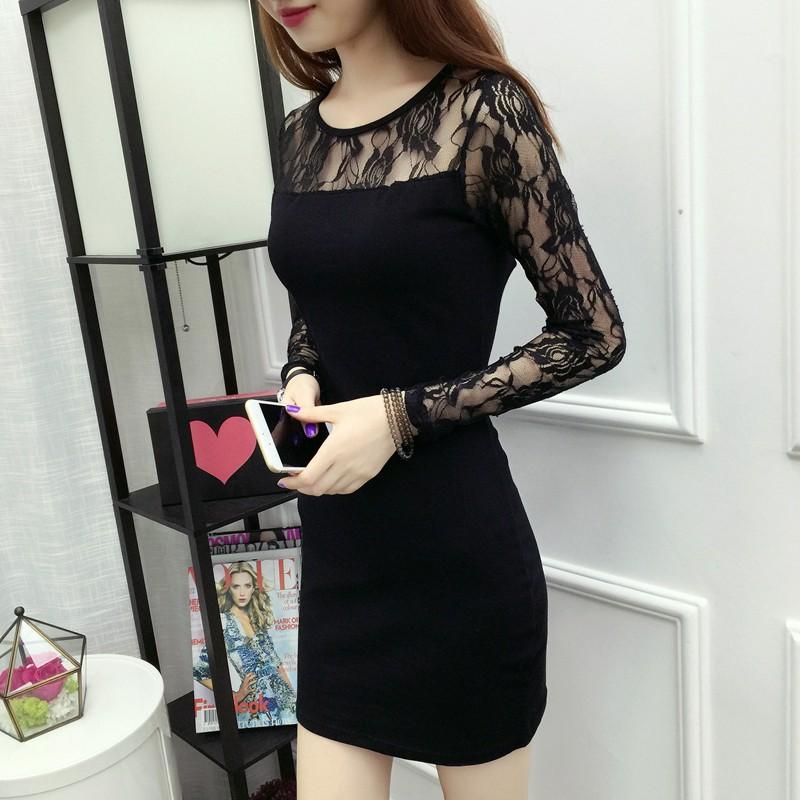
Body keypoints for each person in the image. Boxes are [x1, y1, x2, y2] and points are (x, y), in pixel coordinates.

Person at [258, 1, 627, 797]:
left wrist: (399, 417)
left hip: (459, 563)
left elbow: (592, 334)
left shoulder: (485, 111)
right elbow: (318, 307)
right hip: (341, 562)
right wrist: (301, 374)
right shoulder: (298, 135)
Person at [193, 561, 297, 727]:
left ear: (253, 588)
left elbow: (277, 665)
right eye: (236, 586)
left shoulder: (257, 618)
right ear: (229, 589)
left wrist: (294, 697)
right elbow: (200, 672)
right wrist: (237, 695)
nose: (242, 593)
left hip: (285, 700)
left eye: (247, 586)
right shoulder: (223, 622)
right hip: (257, 706)